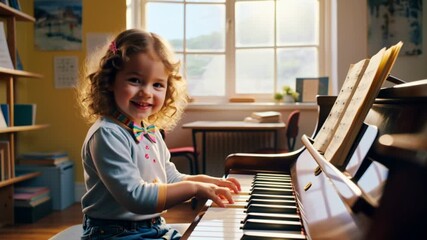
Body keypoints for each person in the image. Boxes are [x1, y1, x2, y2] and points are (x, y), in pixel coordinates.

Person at [77, 29, 241, 239]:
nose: (146, 92)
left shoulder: (150, 131)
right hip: (113, 233)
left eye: (157, 85)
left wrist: (207, 182)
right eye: (135, 80)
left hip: (154, 227)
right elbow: (135, 197)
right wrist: (194, 188)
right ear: (109, 81)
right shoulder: (107, 134)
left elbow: (170, 178)